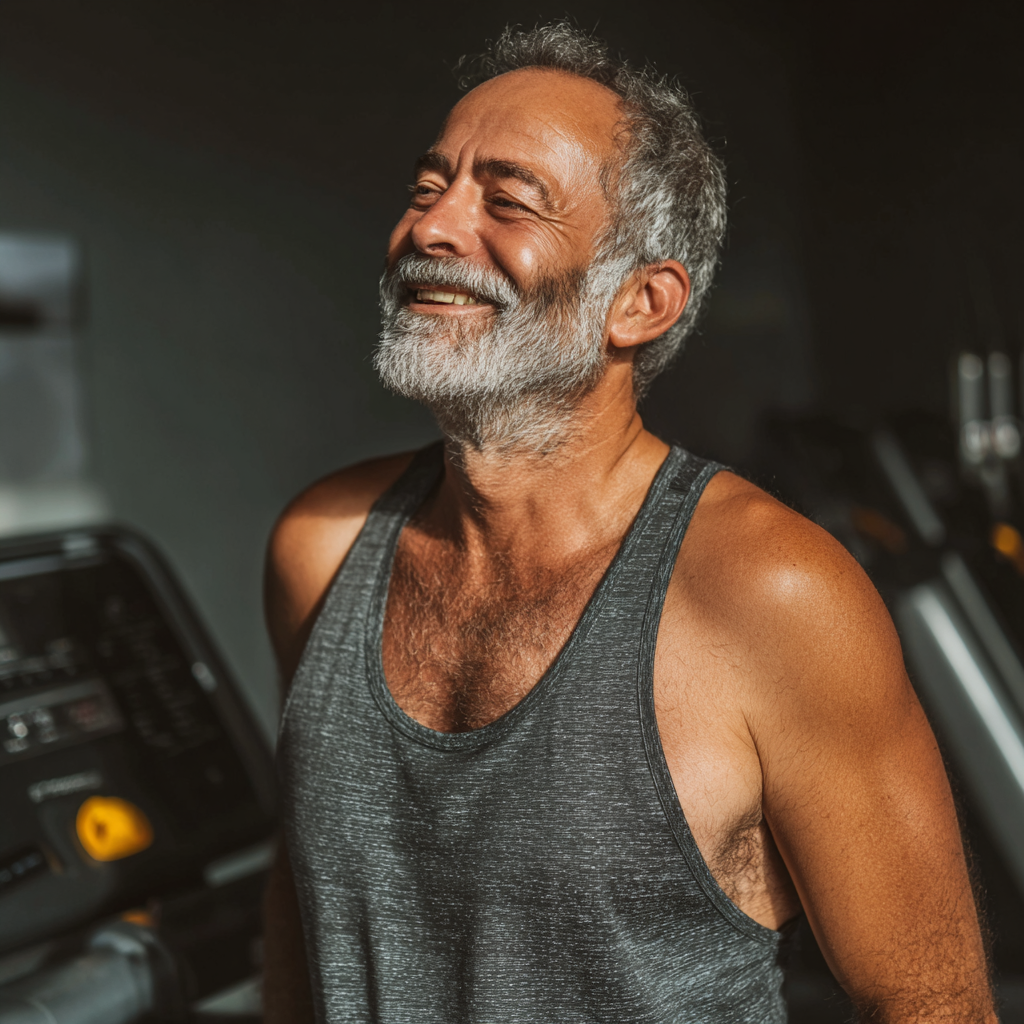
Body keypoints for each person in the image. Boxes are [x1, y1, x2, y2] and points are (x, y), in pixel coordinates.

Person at [262, 22, 995, 1024]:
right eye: (428, 188)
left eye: (505, 200)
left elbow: (932, 1008)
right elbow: (306, 918)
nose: (430, 230)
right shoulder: (322, 545)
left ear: (641, 304)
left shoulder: (772, 594)